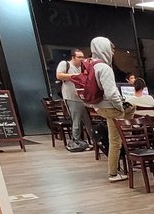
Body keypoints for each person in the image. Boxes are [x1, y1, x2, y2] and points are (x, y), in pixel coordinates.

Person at [89, 36, 132, 183]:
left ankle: (129, 138)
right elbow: (112, 93)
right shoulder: (105, 68)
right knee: (115, 142)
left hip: (99, 107)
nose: (113, 52)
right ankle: (113, 173)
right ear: (105, 49)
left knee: (115, 138)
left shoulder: (91, 66)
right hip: (111, 107)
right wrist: (120, 107)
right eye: (111, 49)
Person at [55, 48, 90, 151]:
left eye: (83, 57)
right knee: (76, 120)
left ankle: (93, 140)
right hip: (71, 97)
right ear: (73, 57)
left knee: (87, 120)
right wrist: (76, 76)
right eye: (79, 57)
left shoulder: (82, 67)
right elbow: (59, 75)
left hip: (83, 98)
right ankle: (76, 141)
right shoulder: (65, 64)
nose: (82, 59)